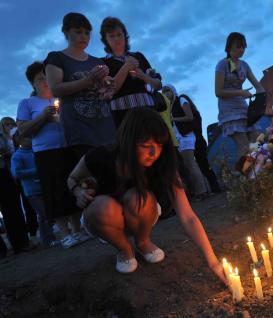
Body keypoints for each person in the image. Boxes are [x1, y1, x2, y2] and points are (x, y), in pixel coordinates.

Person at [67, 107, 226, 283]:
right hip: (105, 219)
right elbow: (72, 178)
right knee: (102, 207)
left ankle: (142, 242)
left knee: (139, 197)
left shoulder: (163, 162)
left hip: (142, 214)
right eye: (146, 145)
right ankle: (124, 249)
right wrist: (78, 191)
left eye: (158, 146)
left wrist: (212, 261)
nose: (154, 153)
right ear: (128, 140)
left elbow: (188, 216)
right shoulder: (100, 156)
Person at [44, 13, 116, 242]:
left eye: (86, 32)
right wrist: (89, 80)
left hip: (104, 124)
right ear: (66, 33)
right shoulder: (56, 58)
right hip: (79, 127)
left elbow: (107, 90)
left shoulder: (97, 61)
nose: (83, 36)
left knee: (111, 172)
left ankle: (113, 219)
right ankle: (97, 223)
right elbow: (56, 89)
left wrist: (107, 88)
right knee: (89, 175)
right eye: (78, 31)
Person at [17, 61, 82, 248]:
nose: (45, 81)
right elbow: (23, 131)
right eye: (39, 78)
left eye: (46, 77)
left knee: (72, 187)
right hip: (46, 152)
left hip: (67, 147)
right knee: (54, 192)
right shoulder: (28, 103)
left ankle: (78, 230)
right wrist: (44, 116)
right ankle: (65, 234)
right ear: (33, 83)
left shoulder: (61, 98)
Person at [100, 17, 162, 128]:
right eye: (111, 36)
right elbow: (109, 90)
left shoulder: (138, 56)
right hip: (122, 118)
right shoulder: (103, 63)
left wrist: (142, 76)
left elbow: (158, 85)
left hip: (149, 114)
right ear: (106, 40)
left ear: (125, 36)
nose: (116, 38)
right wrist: (126, 67)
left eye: (119, 34)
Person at [215, 32, 265, 160]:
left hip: (243, 107)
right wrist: (240, 93)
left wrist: (262, 97)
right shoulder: (222, 64)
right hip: (229, 110)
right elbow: (218, 92)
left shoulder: (244, 65)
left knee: (256, 141)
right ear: (229, 47)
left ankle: (259, 173)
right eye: (238, 46)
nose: (241, 50)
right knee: (243, 146)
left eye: (243, 47)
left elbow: (258, 85)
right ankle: (245, 178)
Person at [10, 130, 58, 248]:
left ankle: (50, 238)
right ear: (19, 140)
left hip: (43, 188)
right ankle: (47, 240)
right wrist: (37, 171)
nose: (31, 140)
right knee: (43, 215)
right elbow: (17, 173)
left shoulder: (36, 152)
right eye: (28, 138)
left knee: (49, 214)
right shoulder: (17, 156)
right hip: (32, 191)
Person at [162, 84, 208, 200]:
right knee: (191, 164)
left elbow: (189, 116)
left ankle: (201, 191)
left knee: (189, 163)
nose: (166, 94)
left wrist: (174, 119)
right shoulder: (171, 106)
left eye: (168, 91)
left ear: (173, 91)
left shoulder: (181, 100)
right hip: (179, 137)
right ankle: (204, 189)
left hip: (186, 135)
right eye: (164, 92)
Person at [0, 127, 30, 254]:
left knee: (14, 208)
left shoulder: (2, 135)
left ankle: (22, 242)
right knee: (9, 209)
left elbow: (11, 149)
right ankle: (16, 244)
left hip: (5, 173)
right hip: (2, 173)